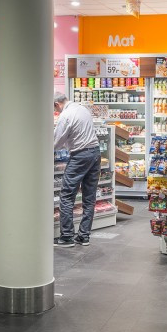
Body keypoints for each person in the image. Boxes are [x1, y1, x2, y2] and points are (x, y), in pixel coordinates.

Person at [53, 92, 101, 247]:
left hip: (80, 155)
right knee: (89, 197)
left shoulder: (65, 115)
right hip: (95, 153)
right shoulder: (82, 109)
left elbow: (56, 142)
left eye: (54, 108)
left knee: (67, 196)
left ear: (57, 104)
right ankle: (84, 236)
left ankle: (67, 236)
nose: (55, 111)